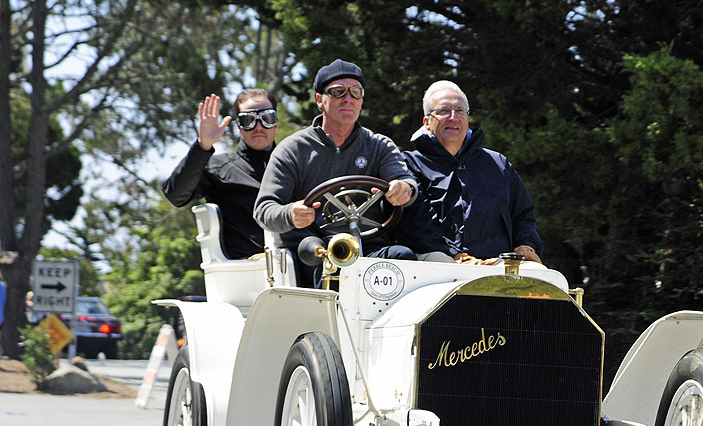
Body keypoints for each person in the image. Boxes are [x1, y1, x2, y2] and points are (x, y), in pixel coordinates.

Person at [254, 59, 418, 285]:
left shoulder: (378, 145)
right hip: (315, 251)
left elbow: (405, 181)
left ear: (361, 101)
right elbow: (264, 210)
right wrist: (291, 213)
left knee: (403, 257)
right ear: (320, 100)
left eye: (356, 92)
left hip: (369, 248)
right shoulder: (293, 149)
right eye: (338, 92)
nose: (348, 98)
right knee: (331, 267)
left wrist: (404, 189)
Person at [395, 80, 543, 265]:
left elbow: (523, 215)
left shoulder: (498, 164)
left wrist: (525, 246)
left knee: (543, 276)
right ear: (426, 122)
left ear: (467, 118)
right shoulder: (407, 164)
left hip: (500, 266)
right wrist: (457, 257)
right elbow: (418, 224)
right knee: (441, 262)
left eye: (460, 111)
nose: (453, 117)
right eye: (443, 111)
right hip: (438, 265)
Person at [162, 89, 279, 260]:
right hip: (242, 273)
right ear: (239, 127)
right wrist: (203, 146)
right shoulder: (218, 167)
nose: (258, 127)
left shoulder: (294, 164)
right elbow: (175, 195)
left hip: (297, 267)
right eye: (249, 120)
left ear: (276, 124)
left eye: (267, 118)